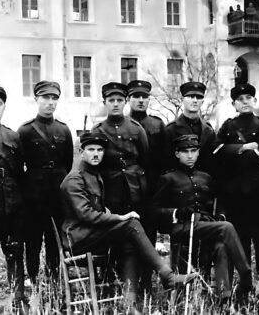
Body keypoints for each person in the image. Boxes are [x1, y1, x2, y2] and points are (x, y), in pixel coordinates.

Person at [60, 132, 195, 312]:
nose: (96, 154)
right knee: (131, 224)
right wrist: (119, 218)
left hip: (92, 234)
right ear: (81, 151)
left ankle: (129, 306)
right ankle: (167, 276)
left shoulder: (94, 174)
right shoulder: (75, 178)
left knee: (129, 244)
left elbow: (97, 209)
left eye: (100, 150)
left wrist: (111, 214)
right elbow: (87, 215)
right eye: (91, 149)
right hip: (79, 239)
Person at [152, 134, 253, 302]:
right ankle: (246, 276)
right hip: (183, 227)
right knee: (226, 227)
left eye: (193, 151)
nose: (190, 156)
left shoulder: (205, 177)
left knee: (221, 247)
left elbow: (219, 201)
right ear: (177, 154)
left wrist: (220, 215)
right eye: (185, 152)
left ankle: (223, 297)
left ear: (198, 153)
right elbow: (154, 210)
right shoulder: (168, 178)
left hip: (206, 226)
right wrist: (177, 212)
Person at [91, 82, 149, 296]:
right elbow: (94, 165)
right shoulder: (98, 130)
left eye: (119, 100)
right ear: (104, 102)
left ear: (125, 102)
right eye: (111, 100)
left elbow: (145, 159)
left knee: (135, 237)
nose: (115, 104)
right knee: (112, 238)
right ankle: (110, 285)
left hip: (135, 191)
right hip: (110, 192)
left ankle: (138, 285)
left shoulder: (136, 128)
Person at [213, 83, 259, 282]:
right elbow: (216, 152)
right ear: (234, 104)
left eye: (248, 98)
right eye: (240, 99)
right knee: (240, 241)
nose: (245, 102)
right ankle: (245, 285)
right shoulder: (228, 125)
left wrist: (232, 154)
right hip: (235, 195)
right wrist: (244, 148)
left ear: (254, 101)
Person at [18, 81, 73, 284]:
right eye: (45, 98)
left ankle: (54, 279)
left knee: (55, 239)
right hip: (33, 197)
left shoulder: (64, 130)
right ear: (36, 99)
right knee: (32, 239)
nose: (50, 103)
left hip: (57, 196)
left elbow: (68, 164)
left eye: (54, 98)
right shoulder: (25, 131)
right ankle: (33, 278)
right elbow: (19, 165)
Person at [0, 86, 27, 311]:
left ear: (4, 107)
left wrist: (19, 204)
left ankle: (18, 299)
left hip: (12, 206)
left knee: (15, 254)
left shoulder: (13, 136)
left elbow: (20, 172)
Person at [126, 79, 166, 291]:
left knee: (149, 235)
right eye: (136, 96)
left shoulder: (157, 125)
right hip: (127, 189)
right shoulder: (123, 125)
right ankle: (128, 281)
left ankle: (147, 281)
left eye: (144, 97)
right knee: (127, 236)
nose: (140, 100)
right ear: (128, 99)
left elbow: (164, 159)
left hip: (150, 189)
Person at [164, 81, 215, 173]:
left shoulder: (208, 130)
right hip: (178, 179)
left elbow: (213, 161)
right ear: (182, 99)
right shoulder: (170, 130)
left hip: (204, 179)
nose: (195, 100)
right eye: (191, 97)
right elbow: (165, 162)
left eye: (198, 97)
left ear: (202, 102)